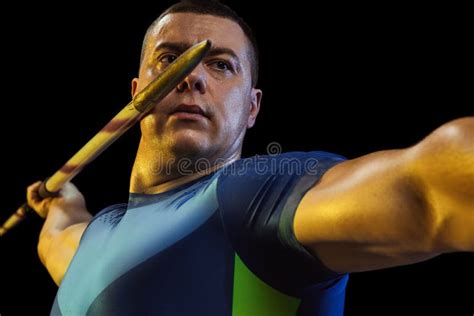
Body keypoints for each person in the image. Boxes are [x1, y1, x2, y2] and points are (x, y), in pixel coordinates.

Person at [26, 1, 473, 315]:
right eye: (169, 58)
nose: (193, 77)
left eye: (221, 65)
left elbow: (424, 190)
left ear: (253, 106)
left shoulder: (249, 196)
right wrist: (59, 200)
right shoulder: (91, 238)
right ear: (136, 93)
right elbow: (59, 231)